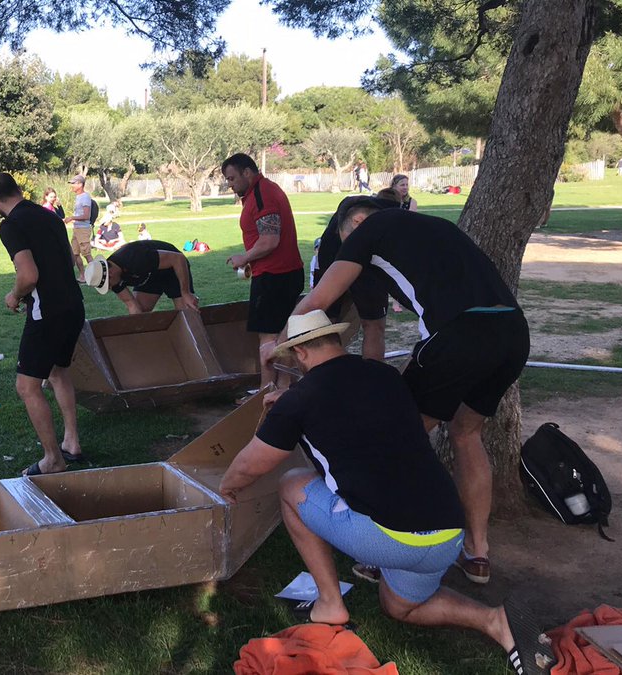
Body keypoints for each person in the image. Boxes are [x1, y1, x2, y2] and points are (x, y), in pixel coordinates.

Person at [220, 311, 547, 675]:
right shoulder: (384, 374)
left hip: (388, 538)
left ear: (300, 354)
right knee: (399, 606)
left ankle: (330, 604)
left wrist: (228, 486)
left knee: (290, 486)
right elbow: (353, 408)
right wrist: (291, 402)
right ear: (335, 342)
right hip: (448, 534)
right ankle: (495, 621)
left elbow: (253, 463)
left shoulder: (302, 398)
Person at [268, 203, 531, 585]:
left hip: (458, 334)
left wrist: (274, 351)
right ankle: (477, 553)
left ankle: (385, 545)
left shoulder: (366, 233)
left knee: (397, 436)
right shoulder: (429, 225)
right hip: (512, 332)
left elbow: (313, 305)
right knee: (466, 433)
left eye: (346, 244)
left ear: (355, 225)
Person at [0, 172, 85, 476]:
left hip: (48, 313)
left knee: (27, 386)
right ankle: (72, 442)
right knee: (58, 372)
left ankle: (53, 459)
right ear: (18, 190)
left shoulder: (11, 225)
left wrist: (14, 295)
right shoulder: (51, 216)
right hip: (74, 306)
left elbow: (28, 276)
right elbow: (69, 259)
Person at [220, 152, 305, 388]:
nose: (230, 184)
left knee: (268, 338)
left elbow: (270, 240)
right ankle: (284, 388)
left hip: (274, 276)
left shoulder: (262, 194)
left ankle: (265, 395)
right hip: (283, 273)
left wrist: (243, 257)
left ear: (248, 172)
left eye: (232, 178)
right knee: (282, 335)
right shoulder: (262, 191)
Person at [314, 194, 403, 358]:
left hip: (370, 265)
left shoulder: (390, 219)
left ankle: (373, 376)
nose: (351, 252)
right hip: (331, 258)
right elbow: (316, 304)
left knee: (373, 325)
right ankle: (327, 375)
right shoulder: (332, 242)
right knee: (325, 325)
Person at [84, 240, 199, 314]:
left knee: (187, 312)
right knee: (141, 311)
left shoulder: (134, 258)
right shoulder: (112, 278)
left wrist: (185, 292)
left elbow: (178, 259)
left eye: (108, 285)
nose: (110, 288)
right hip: (149, 274)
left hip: (172, 267)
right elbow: (131, 304)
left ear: (110, 275)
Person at [63, 175, 95, 277]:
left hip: (83, 229)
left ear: (80, 184)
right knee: (75, 254)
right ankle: (83, 276)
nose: (71, 186)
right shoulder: (78, 197)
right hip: (77, 228)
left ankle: (97, 276)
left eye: (73, 183)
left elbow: (86, 216)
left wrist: (72, 218)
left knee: (87, 254)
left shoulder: (85, 197)